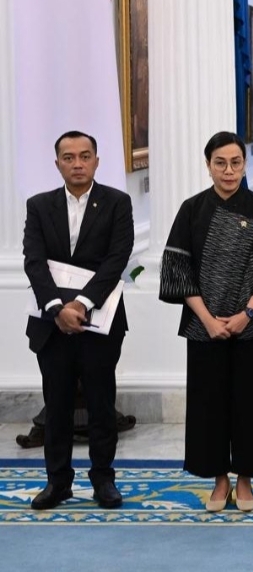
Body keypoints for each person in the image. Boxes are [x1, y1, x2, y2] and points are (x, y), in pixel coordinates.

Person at [159, 131, 253, 512]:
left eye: (235, 163)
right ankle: (219, 480)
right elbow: (177, 269)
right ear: (208, 166)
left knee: (252, 404)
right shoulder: (191, 209)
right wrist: (208, 319)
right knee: (208, 405)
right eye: (220, 163)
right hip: (205, 327)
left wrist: (247, 314)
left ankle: (245, 479)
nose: (229, 170)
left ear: (245, 165)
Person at [23, 130, 134, 510]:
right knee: (56, 406)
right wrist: (58, 309)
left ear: (96, 161)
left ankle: (103, 479)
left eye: (85, 156)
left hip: (99, 322)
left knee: (102, 404)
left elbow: (117, 258)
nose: (77, 164)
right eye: (68, 157)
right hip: (52, 325)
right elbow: (34, 262)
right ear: (57, 164)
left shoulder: (117, 203)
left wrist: (82, 304)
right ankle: (58, 483)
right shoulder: (39, 206)